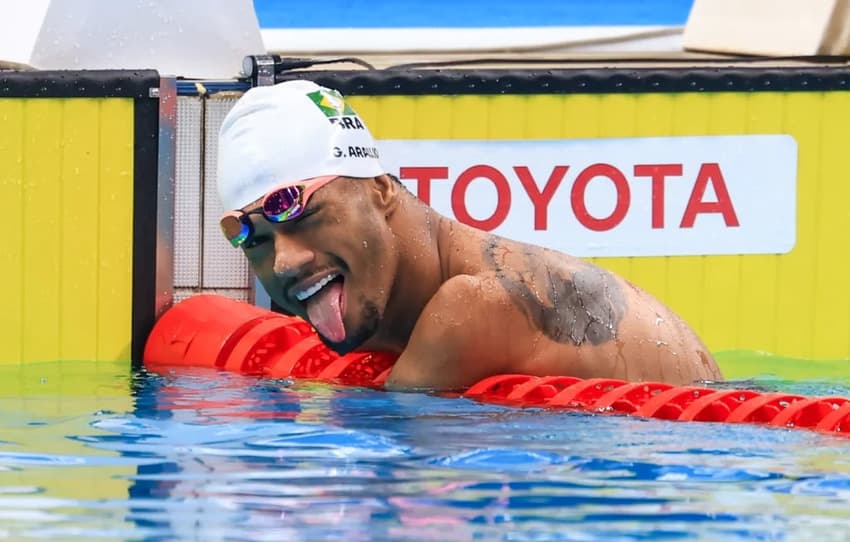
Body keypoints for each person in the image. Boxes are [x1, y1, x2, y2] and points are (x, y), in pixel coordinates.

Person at [217, 80, 723, 391]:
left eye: (301, 215)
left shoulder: (470, 306)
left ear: (379, 191)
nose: (282, 263)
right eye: (256, 240)